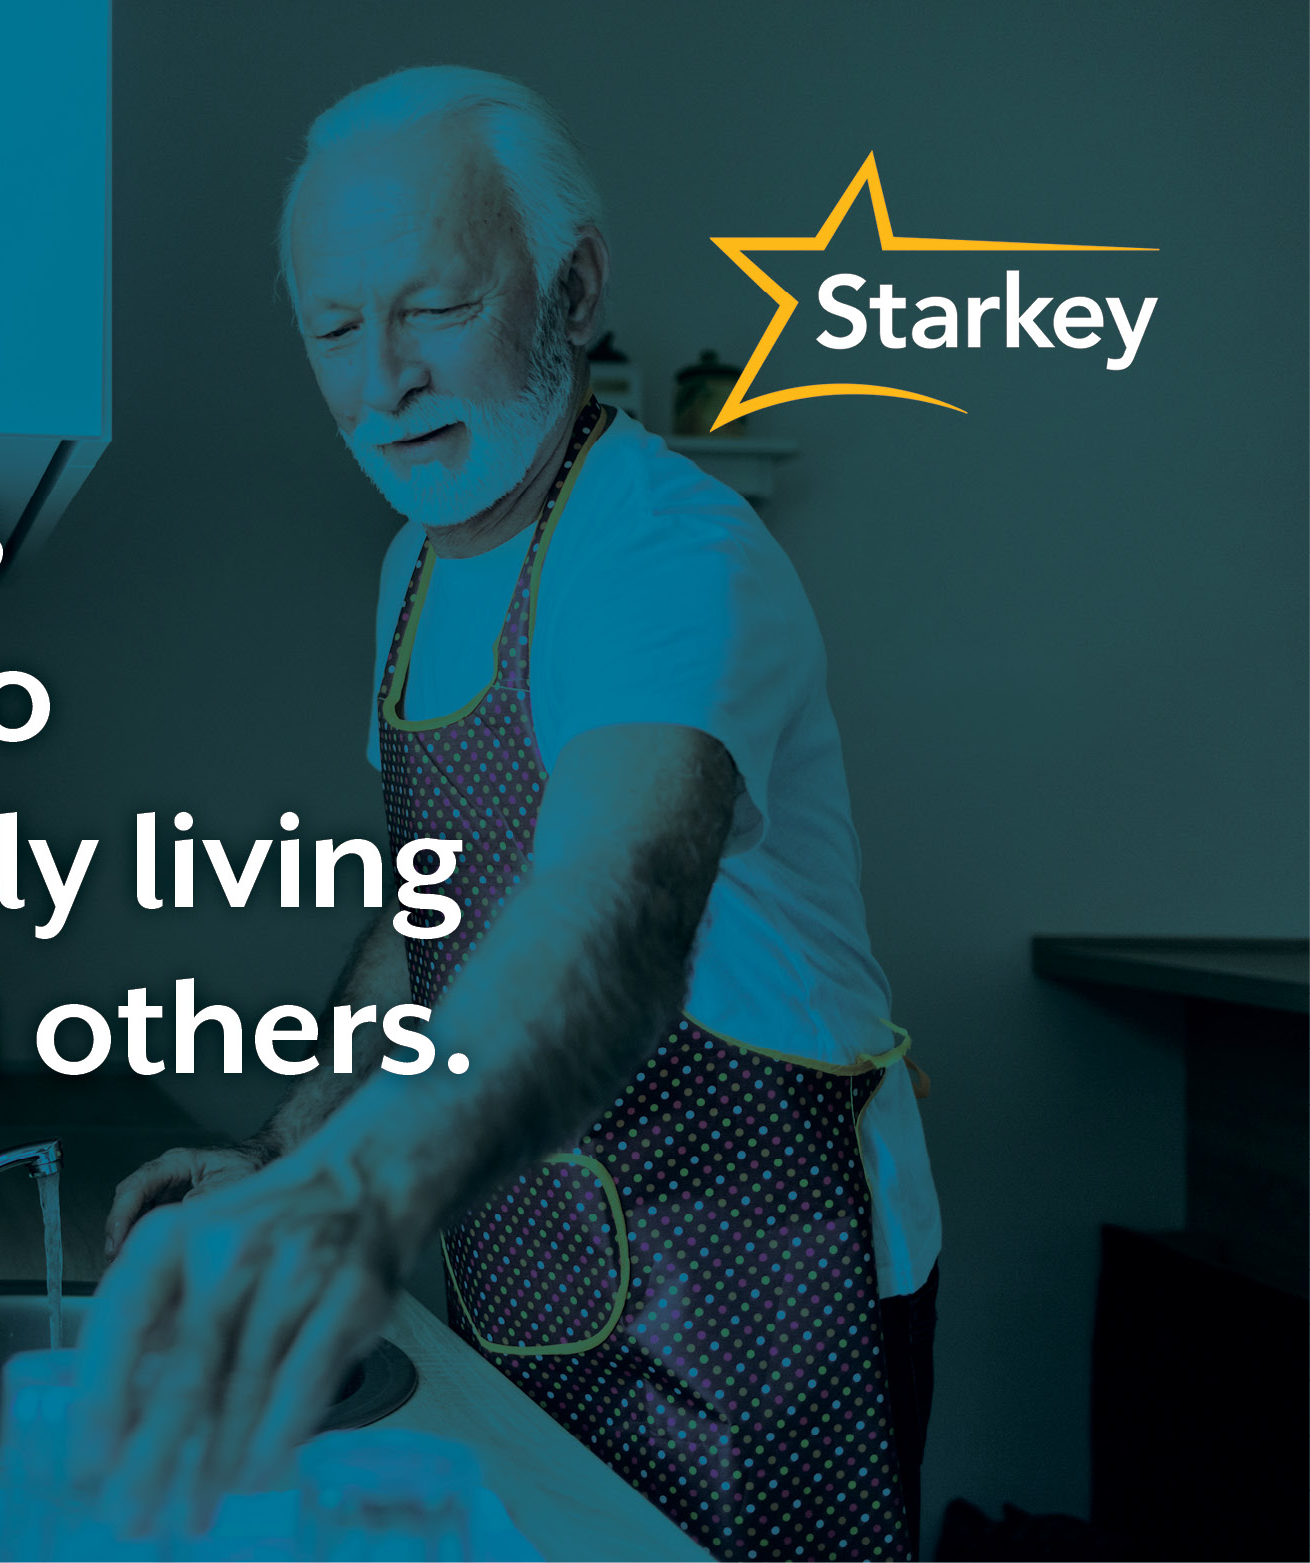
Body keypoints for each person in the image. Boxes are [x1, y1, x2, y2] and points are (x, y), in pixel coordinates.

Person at [75, 66, 941, 1562]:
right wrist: (292, 1145)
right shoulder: (418, 562)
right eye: (333, 331)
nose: (383, 382)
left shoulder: (663, 554)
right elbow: (437, 911)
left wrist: (361, 1183)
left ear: (573, 283)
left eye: (432, 308)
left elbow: (621, 898)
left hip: (749, 1284)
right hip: (530, 1261)